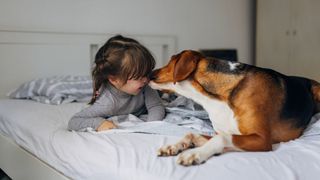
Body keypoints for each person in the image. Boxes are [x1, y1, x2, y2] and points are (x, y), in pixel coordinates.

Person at [68, 35, 165, 131]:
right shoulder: (107, 103)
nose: (146, 80)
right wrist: (99, 123)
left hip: (157, 92)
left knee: (162, 85)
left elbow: (156, 106)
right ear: (114, 80)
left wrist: (150, 127)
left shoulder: (145, 85)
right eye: (139, 77)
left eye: (147, 73)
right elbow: (74, 121)